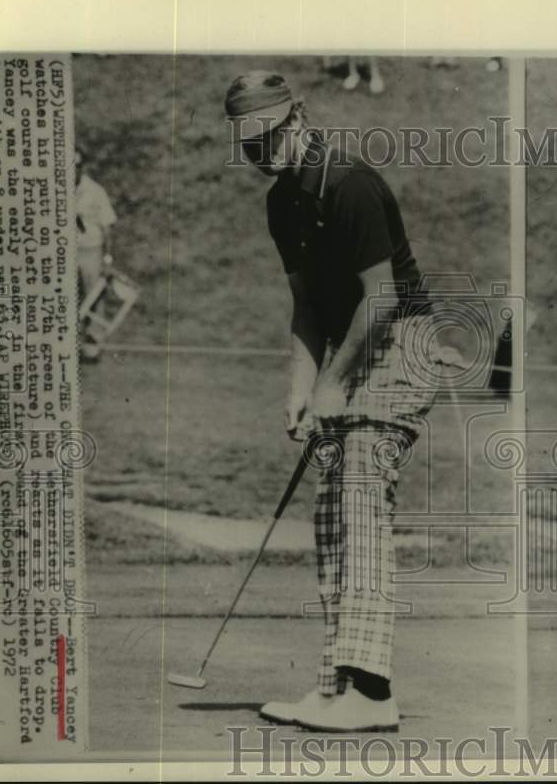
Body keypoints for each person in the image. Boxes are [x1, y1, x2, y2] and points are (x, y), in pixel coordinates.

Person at [224, 71, 435, 732]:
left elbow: (383, 298)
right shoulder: (281, 204)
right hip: (349, 346)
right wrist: (300, 386)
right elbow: (308, 303)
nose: (263, 154)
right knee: (332, 518)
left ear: (300, 117)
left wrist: (331, 384)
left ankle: (371, 693)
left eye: (270, 137)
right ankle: (336, 682)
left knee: (362, 500)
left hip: (399, 342)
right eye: (250, 145)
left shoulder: (350, 184)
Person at [74, 146, 117, 360]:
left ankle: (93, 345)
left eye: (76, 166)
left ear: (82, 168)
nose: (71, 171)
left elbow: (108, 227)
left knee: (94, 296)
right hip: (65, 252)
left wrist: (107, 258)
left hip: (91, 250)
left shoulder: (95, 191)